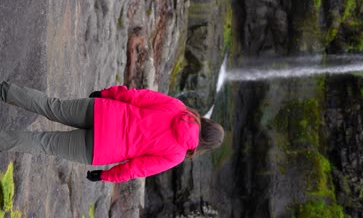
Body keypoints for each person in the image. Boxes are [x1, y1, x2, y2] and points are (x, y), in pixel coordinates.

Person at [0, 81, 224, 183]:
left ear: (205, 121)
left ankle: (4, 90)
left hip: (103, 111)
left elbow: (136, 96)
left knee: (52, 106)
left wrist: (107, 93)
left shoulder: (177, 107)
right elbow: (136, 168)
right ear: (204, 145)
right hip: (101, 148)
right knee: (43, 143)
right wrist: (106, 175)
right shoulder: (176, 155)